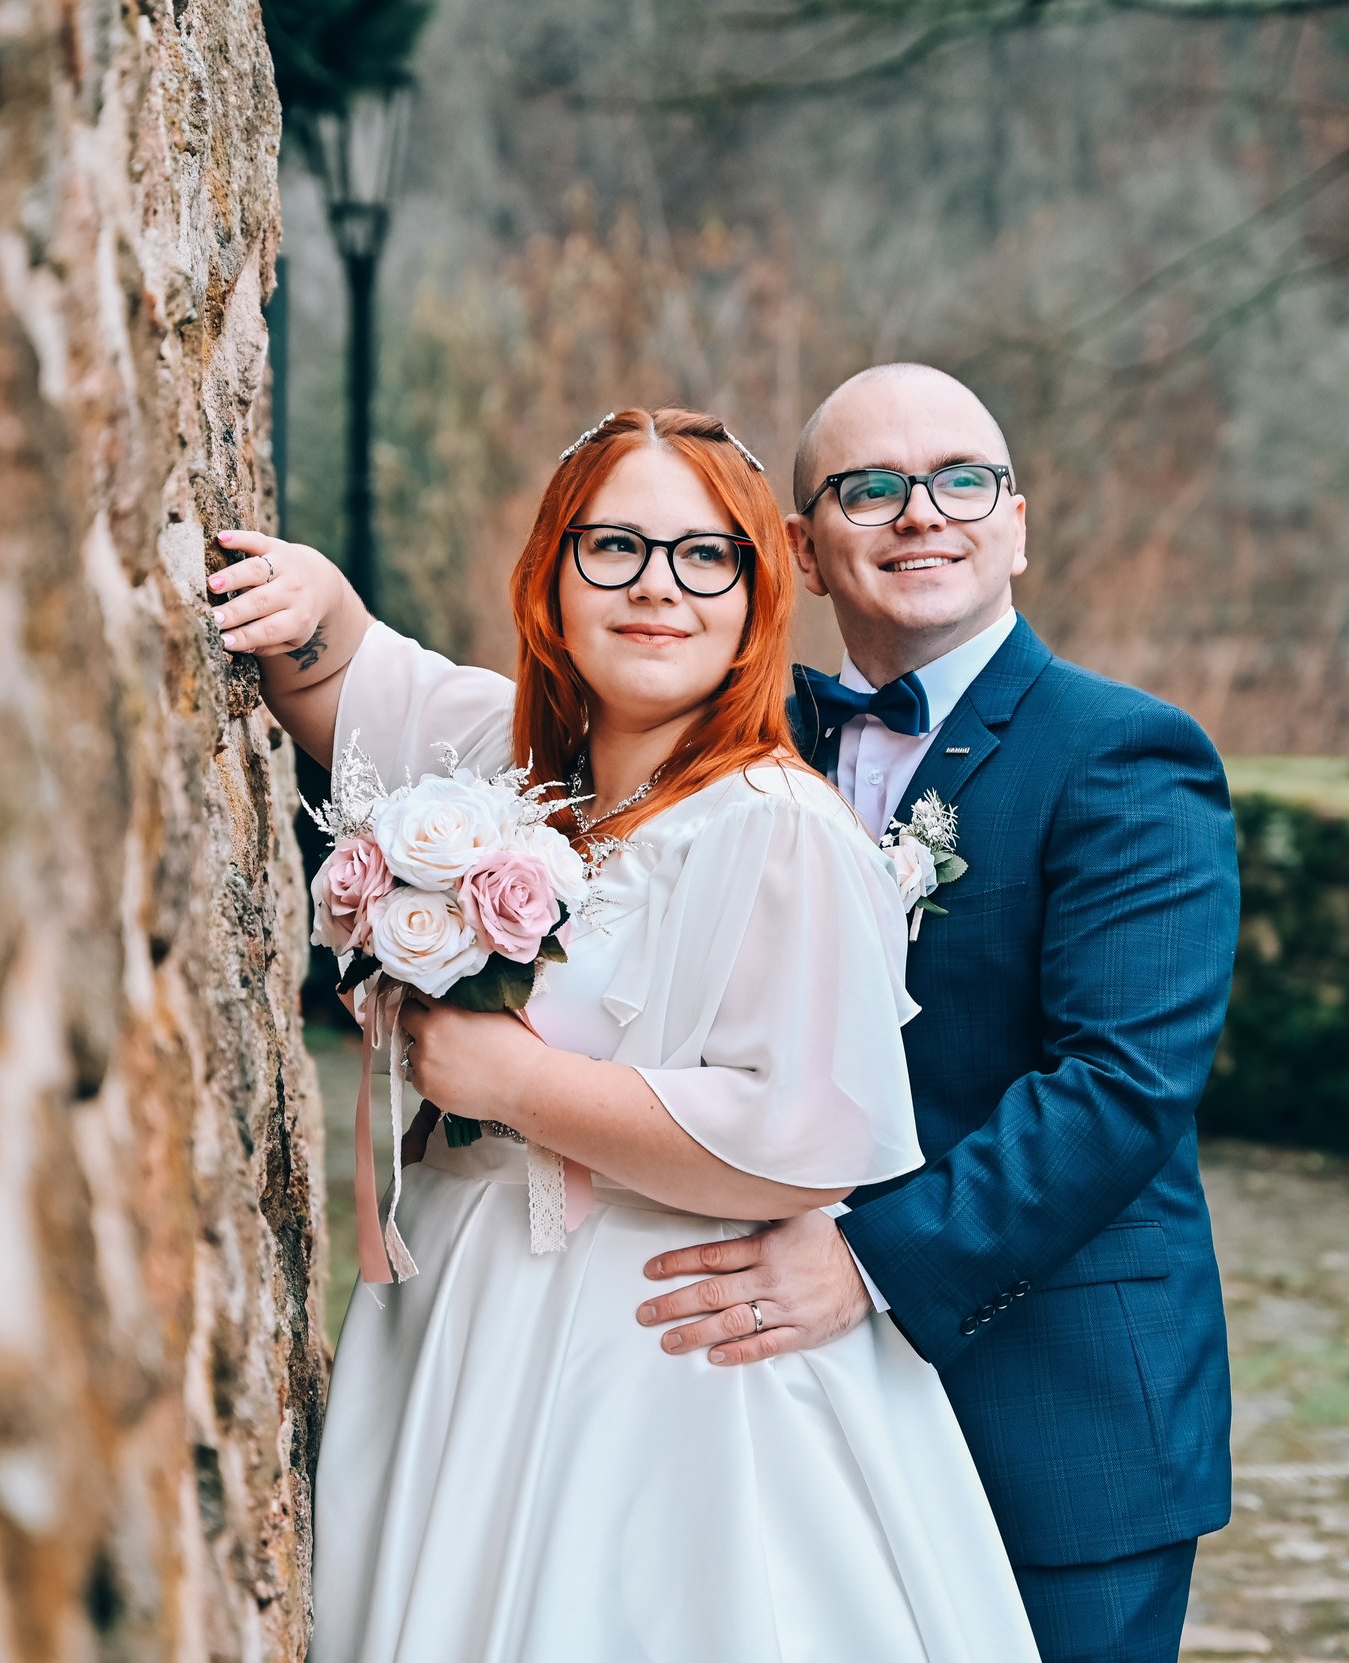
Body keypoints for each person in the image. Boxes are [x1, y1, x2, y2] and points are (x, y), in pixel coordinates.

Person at [209, 407, 1040, 1662]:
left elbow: (807, 1145)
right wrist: (311, 599)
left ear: (758, 595)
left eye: (706, 556)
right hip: (464, 1323)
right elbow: (343, 679)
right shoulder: (501, 757)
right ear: (553, 573)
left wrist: (523, 1083)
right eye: (616, 549)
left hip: (668, 1361)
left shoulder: (778, 826)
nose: (659, 588)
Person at [632, 365, 1240, 1663]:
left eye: (963, 478)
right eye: (871, 486)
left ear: (1016, 521)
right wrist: (325, 649)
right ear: (801, 547)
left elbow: (1122, 1086)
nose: (923, 512)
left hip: (1056, 1398)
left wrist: (863, 1261)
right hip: (781, 1403)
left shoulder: (1127, 753)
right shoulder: (744, 742)